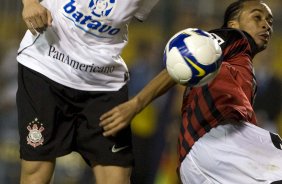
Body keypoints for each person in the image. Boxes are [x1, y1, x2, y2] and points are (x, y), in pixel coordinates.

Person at [99, 0, 282, 183]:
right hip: (217, 142)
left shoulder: (240, 67)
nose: (266, 25)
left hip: (198, 161)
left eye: (270, 21)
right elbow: (185, 58)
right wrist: (136, 103)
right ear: (233, 24)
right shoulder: (235, 38)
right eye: (257, 17)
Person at [16, 0, 160, 183]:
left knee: (116, 178)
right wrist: (29, 3)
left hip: (104, 82)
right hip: (47, 67)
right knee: (36, 170)